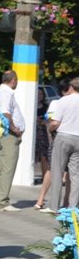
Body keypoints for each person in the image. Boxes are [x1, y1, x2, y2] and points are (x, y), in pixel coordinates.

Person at [0, 70, 25, 212]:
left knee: (0, 168)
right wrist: (14, 128)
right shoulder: (6, 93)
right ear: (13, 80)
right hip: (9, 135)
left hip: (2, 133)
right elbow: (5, 113)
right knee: (7, 168)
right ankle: (2, 202)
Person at [45, 77, 79, 212]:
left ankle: (54, 206)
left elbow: (55, 123)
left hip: (63, 137)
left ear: (71, 87)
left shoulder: (64, 100)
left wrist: (50, 129)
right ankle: (73, 207)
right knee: (75, 175)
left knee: (57, 172)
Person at [34, 88, 54, 210]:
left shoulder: (46, 106)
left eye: (41, 94)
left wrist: (44, 121)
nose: (40, 96)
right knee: (36, 155)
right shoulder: (31, 106)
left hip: (43, 133)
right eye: (38, 94)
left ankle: (44, 176)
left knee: (44, 156)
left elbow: (49, 118)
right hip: (34, 133)